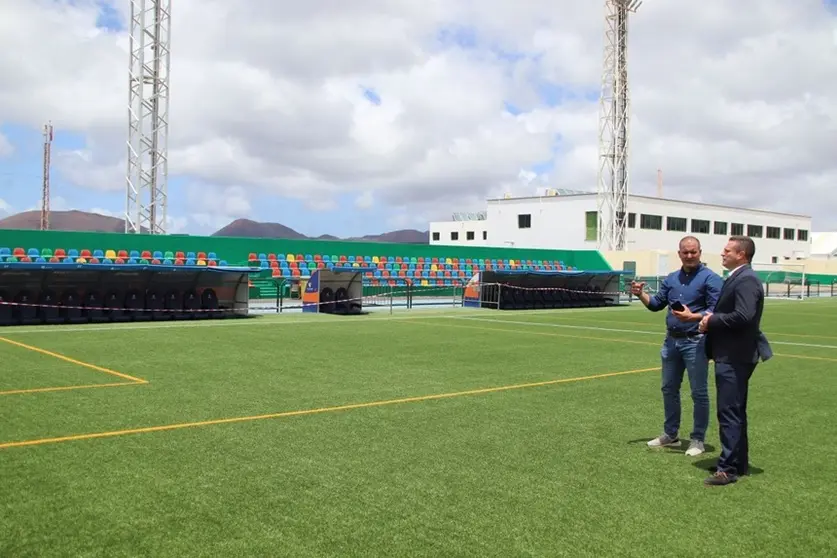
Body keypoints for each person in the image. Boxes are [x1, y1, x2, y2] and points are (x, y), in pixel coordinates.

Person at [630, 236, 722, 457]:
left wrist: (694, 317)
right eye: (685, 252)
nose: (689, 256)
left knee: (699, 393)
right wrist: (640, 294)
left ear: (700, 252)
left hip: (696, 342)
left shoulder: (712, 279)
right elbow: (656, 305)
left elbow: (716, 310)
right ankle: (670, 434)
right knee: (668, 389)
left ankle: (698, 439)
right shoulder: (671, 278)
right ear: (679, 253)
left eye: (693, 252)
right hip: (671, 342)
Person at [699, 235, 771, 486]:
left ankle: (727, 469)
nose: (723, 253)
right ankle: (736, 462)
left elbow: (744, 315)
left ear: (742, 254)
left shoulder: (747, 279)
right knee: (735, 410)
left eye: (728, 250)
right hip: (732, 353)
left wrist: (711, 320)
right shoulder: (740, 277)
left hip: (735, 356)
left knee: (729, 411)